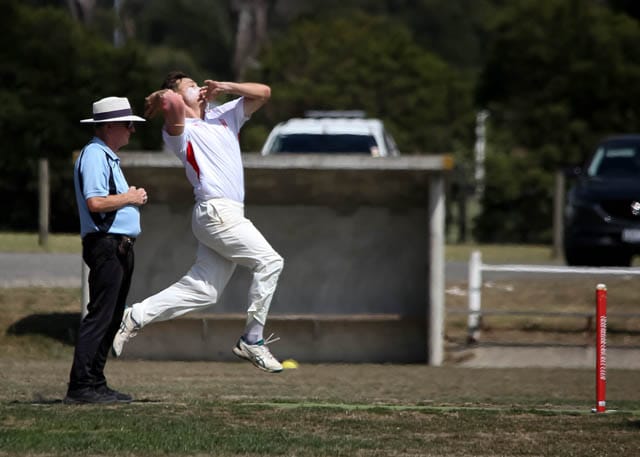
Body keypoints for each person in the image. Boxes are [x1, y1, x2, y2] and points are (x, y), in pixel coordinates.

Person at [111, 72, 284, 373]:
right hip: (216, 212)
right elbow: (171, 103)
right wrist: (161, 96)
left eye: (198, 84)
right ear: (179, 95)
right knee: (270, 262)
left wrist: (226, 87)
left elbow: (264, 92)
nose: (199, 88)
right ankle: (252, 339)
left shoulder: (224, 114)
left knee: (205, 291)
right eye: (190, 86)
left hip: (228, 214)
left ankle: (134, 316)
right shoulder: (179, 130)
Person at [64, 97, 148, 404]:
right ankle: (81, 385)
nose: (132, 130)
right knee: (101, 316)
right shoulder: (95, 155)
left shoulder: (106, 156)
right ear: (110, 126)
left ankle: (95, 382)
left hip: (118, 246)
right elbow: (95, 202)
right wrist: (130, 197)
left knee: (111, 317)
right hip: (107, 245)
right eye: (128, 124)